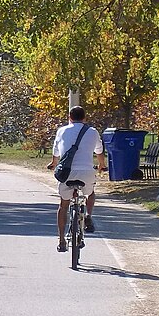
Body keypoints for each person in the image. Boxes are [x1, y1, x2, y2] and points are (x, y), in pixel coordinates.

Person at [46, 106, 105, 253]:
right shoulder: (92, 131)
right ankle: (88, 215)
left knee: (63, 205)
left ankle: (61, 241)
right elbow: (99, 151)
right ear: (84, 118)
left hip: (67, 174)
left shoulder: (62, 131)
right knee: (90, 193)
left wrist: (53, 164)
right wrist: (101, 166)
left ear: (69, 117)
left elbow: (56, 154)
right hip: (86, 174)